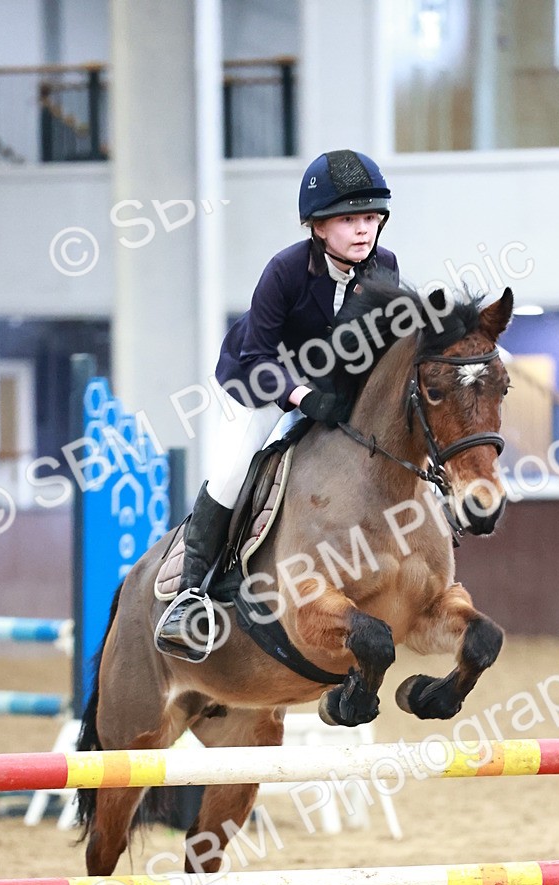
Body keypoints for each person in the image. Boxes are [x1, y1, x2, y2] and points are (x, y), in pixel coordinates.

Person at [156, 148, 399, 656]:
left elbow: (379, 343)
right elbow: (258, 354)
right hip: (260, 379)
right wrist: (302, 395)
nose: (363, 230)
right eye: (349, 219)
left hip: (332, 382)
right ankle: (189, 596)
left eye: (371, 217)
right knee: (232, 468)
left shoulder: (384, 266)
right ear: (317, 227)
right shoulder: (285, 270)